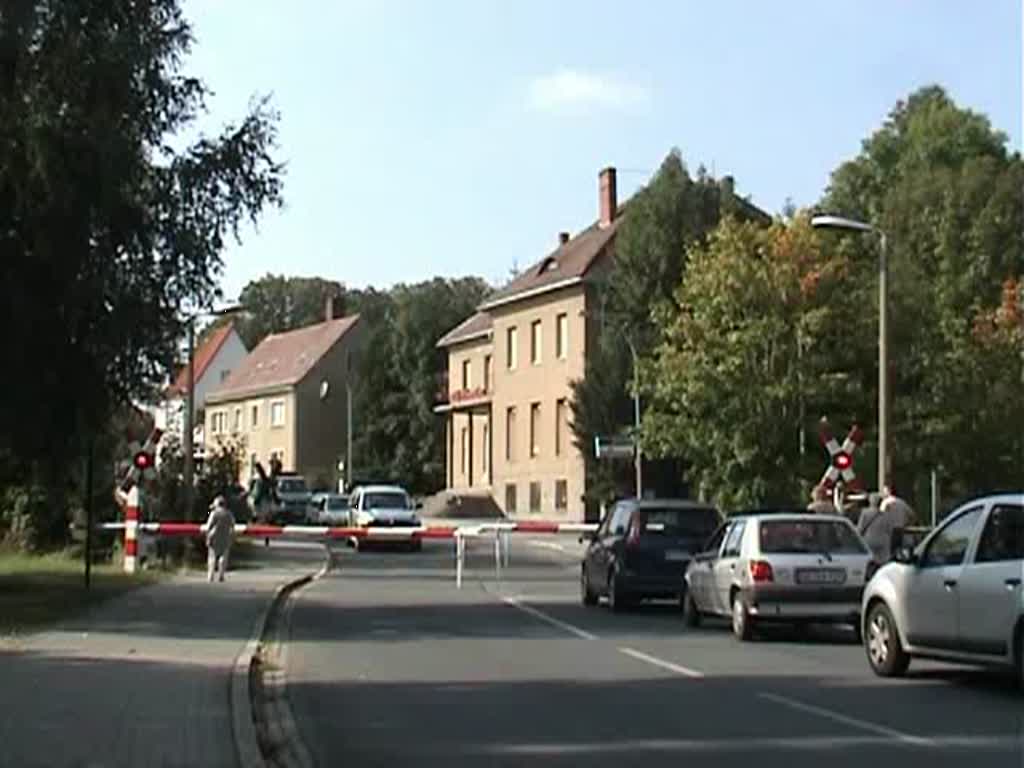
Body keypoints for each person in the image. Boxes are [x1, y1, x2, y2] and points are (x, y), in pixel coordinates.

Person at [205, 495, 236, 582]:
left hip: (214, 536)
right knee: (223, 556)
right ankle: (221, 575)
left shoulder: (214, 513)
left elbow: (209, 526)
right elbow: (232, 525)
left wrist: (207, 535)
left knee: (212, 556)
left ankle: (210, 575)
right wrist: (232, 536)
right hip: (225, 536)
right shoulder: (229, 514)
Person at [857, 492, 894, 563]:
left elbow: (860, 528)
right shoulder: (885, 514)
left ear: (870, 501)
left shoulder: (865, 513)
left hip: (869, 540)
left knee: (869, 561)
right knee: (883, 561)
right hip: (882, 540)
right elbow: (889, 529)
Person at [881, 482, 914, 556]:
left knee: (891, 551)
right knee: (899, 551)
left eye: (884, 491)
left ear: (888, 491)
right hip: (901, 529)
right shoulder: (902, 503)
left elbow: (881, 515)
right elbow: (911, 514)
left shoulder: (885, 503)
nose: (883, 493)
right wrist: (906, 522)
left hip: (890, 531)